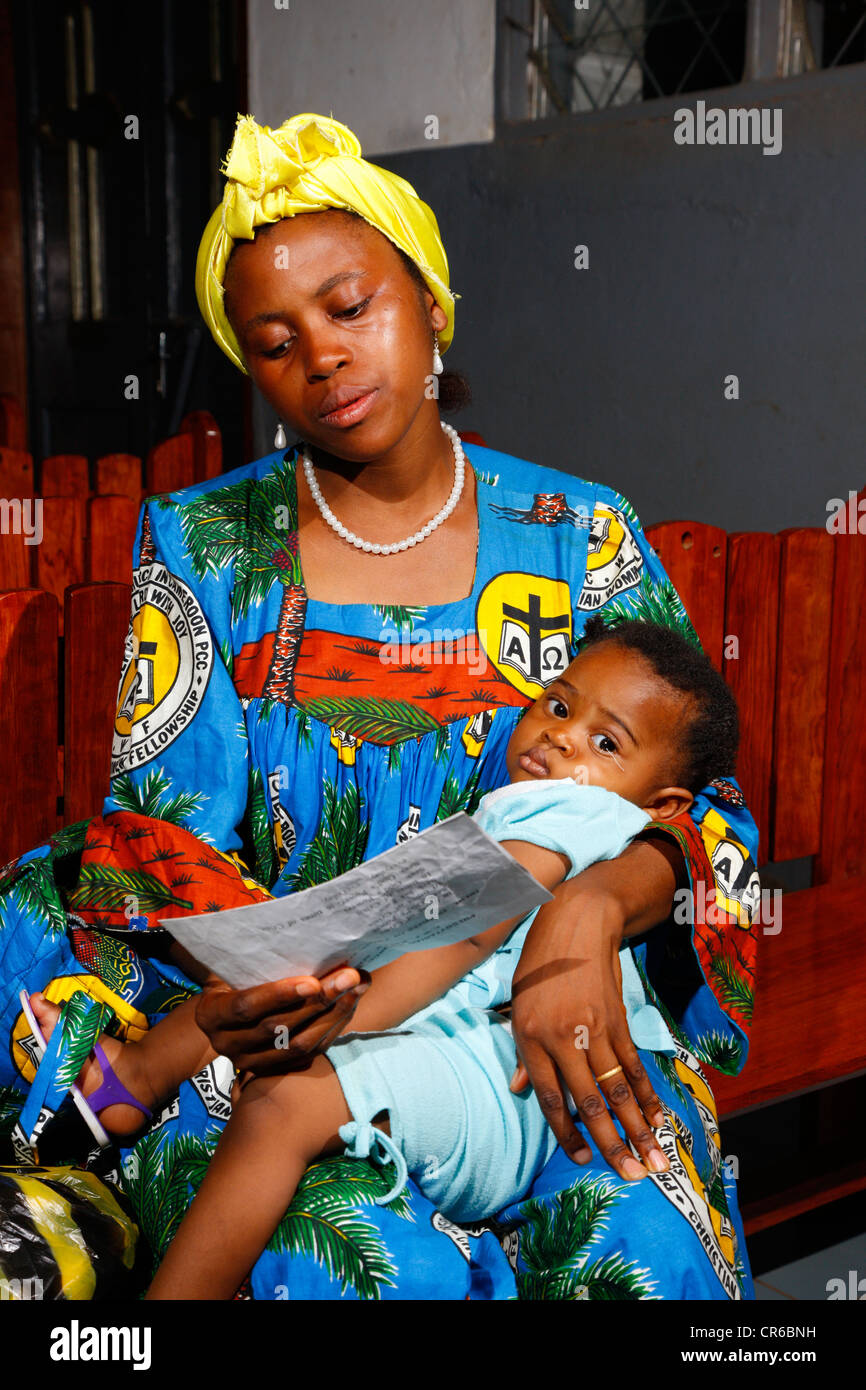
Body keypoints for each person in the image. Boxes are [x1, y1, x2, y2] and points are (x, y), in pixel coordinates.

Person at [3, 112, 761, 1301]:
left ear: (430, 304)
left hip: (540, 1014)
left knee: (640, 1245)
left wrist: (588, 916)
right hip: (266, 1033)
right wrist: (267, 1000)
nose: (322, 356)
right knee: (368, 1266)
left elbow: (705, 807)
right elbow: (160, 843)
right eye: (275, 340)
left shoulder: (579, 537)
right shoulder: (205, 545)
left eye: (351, 308)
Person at [27, 616, 741, 1300]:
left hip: (505, 1082)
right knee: (276, 982)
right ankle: (137, 1082)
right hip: (469, 1046)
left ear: (666, 801)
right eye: (558, 704)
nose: (559, 737)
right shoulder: (546, 804)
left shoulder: (570, 812)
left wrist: (343, 1019)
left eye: (605, 743)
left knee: (283, 1099)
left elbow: (468, 932)